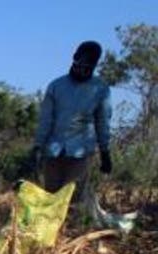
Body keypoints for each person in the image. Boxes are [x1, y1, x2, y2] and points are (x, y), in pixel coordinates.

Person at [33, 41, 112, 221]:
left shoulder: (101, 89)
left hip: (81, 152)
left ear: (95, 65)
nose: (83, 69)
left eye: (89, 65)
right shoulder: (56, 86)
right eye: (80, 63)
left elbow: (103, 121)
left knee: (74, 196)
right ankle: (50, 235)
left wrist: (105, 151)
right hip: (53, 151)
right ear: (74, 58)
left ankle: (70, 233)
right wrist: (38, 146)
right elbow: (46, 119)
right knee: (51, 195)